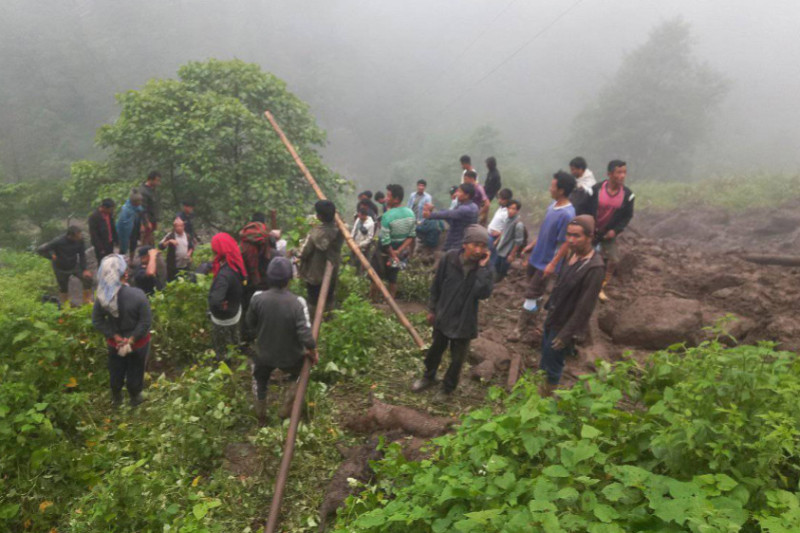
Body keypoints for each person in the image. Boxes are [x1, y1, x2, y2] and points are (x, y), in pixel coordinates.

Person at [411, 225, 493, 398]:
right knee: (435, 351)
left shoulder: (483, 268)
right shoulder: (449, 258)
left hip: (465, 320)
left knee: (457, 360)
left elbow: (483, 293)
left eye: (483, 246)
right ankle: (428, 377)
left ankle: (447, 388)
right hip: (444, 314)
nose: (479, 250)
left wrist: (484, 268)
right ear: (465, 244)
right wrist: (432, 309)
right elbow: (437, 285)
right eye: (475, 245)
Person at [245, 257, 318, 426]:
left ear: (268, 277)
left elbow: (250, 324)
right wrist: (312, 352)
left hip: (264, 353)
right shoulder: (298, 303)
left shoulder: (257, 298)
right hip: (291, 356)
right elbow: (306, 335)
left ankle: (261, 414)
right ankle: (285, 409)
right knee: (299, 375)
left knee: (259, 379)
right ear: (289, 279)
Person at [539, 215, 604, 396]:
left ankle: (546, 400)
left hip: (565, 324)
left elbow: (585, 308)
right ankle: (538, 395)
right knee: (544, 358)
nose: (571, 240)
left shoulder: (594, 268)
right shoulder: (572, 254)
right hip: (554, 316)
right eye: (568, 235)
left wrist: (566, 334)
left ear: (590, 237)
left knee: (553, 364)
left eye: (577, 236)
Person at [510, 171, 576, 344]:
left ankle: (520, 328)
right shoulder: (553, 206)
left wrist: (553, 264)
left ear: (561, 190)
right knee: (535, 292)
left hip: (546, 262)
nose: (549, 188)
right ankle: (532, 319)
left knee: (531, 293)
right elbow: (546, 231)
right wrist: (533, 244)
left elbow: (565, 243)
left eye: (552, 185)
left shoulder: (567, 214)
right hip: (537, 256)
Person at [92, 254, 152, 408]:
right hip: (137, 344)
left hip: (115, 344)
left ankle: (116, 398)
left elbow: (97, 321)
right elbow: (145, 322)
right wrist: (131, 339)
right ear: (125, 274)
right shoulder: (138, 295)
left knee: (116, 368)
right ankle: (135, 398)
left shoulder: (102, 297)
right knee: (136, 369)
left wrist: (115, 336)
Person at [587, 160, 635, 302]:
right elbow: (585, 207)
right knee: (585, 257)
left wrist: (615, 230)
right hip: (591, 230)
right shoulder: (596, 189)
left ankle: (600, 285)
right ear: (609, 174)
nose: (622, 176)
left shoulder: (628, 195)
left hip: (608, 233)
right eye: (619, 172)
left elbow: (627, 216)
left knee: (613, 260)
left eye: (624, 172)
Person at [370, 185, 416, 300]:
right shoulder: (410, 213)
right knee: (393, 277)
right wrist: (398, 252)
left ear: (396, 199)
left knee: (375, 276)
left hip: (384, 252)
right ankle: (391, 302)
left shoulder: (387, 216)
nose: (386, 198)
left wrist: (392, 254)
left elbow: (385, 241)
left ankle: (372, 302)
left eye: (388, 196)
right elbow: (411, 236)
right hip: (398, 251)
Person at [299, 200, 344, 313]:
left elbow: (303, 253)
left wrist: (295, 252)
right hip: (331, 272)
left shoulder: (315, 233)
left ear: (319, 216)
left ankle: (313, 323)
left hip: (315, 274)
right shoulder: (340, 230)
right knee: (329, 299)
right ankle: (327, 321)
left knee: (313, 300)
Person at [208, 233, 247, 363]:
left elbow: (215, 301)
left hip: (224, 317)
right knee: (234, 339)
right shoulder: (235, 263)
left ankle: (223, 363)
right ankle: (235, 356)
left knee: (222, 347)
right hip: (235, 311)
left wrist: (218, 305)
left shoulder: (223, 275)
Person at [37, 226, 93, 306]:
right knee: (63, 287)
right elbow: (42, 250)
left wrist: (84, 269)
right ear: (70, 236)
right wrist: (51, 256)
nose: (80, 237)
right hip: (60, 267)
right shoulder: (58, 241)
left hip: (73, 264)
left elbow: (82, 255)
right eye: (78, 236)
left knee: (87, 278)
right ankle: (65, 305)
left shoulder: (80, 241)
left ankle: (86, 300)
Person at [424, 183, 479, 252]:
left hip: (457, 243)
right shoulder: (472, 206)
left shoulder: (465, 209)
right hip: (457, 240)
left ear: (467, 195)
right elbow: (450, 217)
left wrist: (430, 215)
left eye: (459, 192)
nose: (456, 194)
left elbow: (449, 214)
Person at [493, 199, 526, 282]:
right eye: (509, 208)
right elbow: (504, 231)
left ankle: (499, 285)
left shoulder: (518, 224)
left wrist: (512, 254)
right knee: (496, 267)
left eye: (513, 209)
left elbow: (518, 241)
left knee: (502, 271)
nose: (511, 211)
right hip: (500, 248)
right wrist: (497, 240)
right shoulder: (507, 219)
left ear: (517, 210)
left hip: (507, 252)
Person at [158, 217, 194, 282]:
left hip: (184, 266)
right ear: (174, 227)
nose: (179, 228)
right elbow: (160, 246)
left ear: (183, 226)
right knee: (172, 282)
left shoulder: (187, 236)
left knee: (184, 282)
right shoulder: (170, 235)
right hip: (173, 267)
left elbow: (191, 247)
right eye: (177, 226)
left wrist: (189, 254)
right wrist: (169, 241)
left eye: (181, 226)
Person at [88, 198, 118, 265]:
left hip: (110, 242)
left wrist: (116, 240)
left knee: (110, 261)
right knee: (102, 262)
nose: (112, 210)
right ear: (104, 208)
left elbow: (112, 228)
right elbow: (94, 235)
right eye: (111, 209)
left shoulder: (109, 214)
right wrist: (100, 248)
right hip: (101, 244)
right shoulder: (94, 217)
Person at [117, 190, 144, 260]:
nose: (140, 203)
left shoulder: (138, 208)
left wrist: (142, 225)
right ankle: (121, 261)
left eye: (140, 201)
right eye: (138, 201)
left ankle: (131, 260)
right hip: (125, 230)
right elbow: (123, 222)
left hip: (135, 227)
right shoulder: (126, 209)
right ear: (133, 202)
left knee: (133, 243)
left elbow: (141, 215)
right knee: (123, 245)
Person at [487, 188, 513, 262]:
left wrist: (497, 240)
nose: (499, 200)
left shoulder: (507, 213)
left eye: (501, 199)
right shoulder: (501, 208)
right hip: (489, 236)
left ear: (507, 200)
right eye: (499, 198)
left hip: (494, 238)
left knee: (492, 258)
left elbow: (506, 229)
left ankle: (492, 271)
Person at [351, 206, 376, 272]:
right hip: (354, 243)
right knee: (352, 260)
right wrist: (351, 239)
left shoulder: (371, 224)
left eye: (360, 216)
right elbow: (354, 229)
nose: (359, 217)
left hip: (363, 246)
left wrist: (360, 245)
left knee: (361, 262)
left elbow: (369, 238)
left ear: (364, 215)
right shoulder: (358, 219)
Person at [140, 170, 161, 245]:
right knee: (146, 240)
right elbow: (143, 209)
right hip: (147, 221)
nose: (158, 183)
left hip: (153, 220)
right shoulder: (143, 191)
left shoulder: (153, 190)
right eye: (157, 180)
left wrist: (157, 220)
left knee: (151, 240)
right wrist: (146, 222)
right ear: (151, 179)